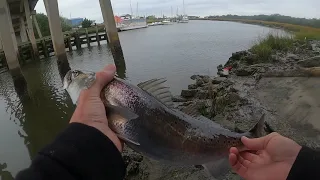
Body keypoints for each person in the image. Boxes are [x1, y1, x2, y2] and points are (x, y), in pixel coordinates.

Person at [15, 64, 320, 180]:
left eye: (78, 75)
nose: (73, 76)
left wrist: (81, 142)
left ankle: (240, 140)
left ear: (96, 86)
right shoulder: (107, 100)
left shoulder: (110, 92)